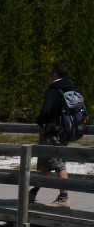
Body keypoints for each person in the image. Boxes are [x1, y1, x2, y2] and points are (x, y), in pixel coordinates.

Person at [32, 61, 75, 209]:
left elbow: (46, 111)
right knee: (47, 162)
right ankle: (34, 191)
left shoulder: (53, 90)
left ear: (55, 74)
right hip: (65, 131)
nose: (49, 76)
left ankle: (64, 198)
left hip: (53, 132)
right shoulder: (71, 89)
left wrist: (40, 121)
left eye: (50, 73)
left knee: (59, 165)